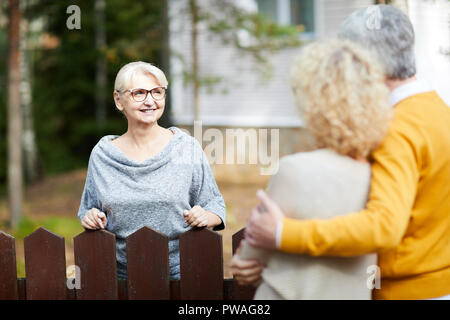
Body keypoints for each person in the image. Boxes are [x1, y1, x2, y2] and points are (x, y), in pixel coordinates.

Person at [233, 5, 450, 300]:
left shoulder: (395, 129)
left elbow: (385, 226)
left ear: (366, 63)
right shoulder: (438, 110)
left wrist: (283, 234)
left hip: (405, 292)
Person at [235, 39, 392, 299]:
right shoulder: (383, 174)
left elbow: (248, 262)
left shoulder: (294, 171)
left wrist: (245, 263)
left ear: (312, 102)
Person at [77, 61, 226, 280]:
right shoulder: (103, 155)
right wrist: (90, 218)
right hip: (119, 279)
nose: (150, 101)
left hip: (181, 277)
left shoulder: (186, 148)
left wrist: (205, 216)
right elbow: (88, 209)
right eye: (139, 93)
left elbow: (216, 206)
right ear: (119, 100)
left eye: (157, 92)